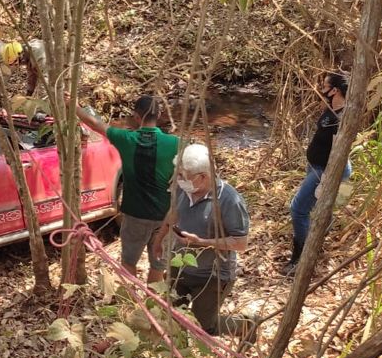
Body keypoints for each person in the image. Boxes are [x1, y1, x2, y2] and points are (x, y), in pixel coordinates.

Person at [71, 95, 179, 283]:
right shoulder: (176, 143)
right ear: (160, 115)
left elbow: (95, 124)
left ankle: (130, 303)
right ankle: (152, 308)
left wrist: (74, 106)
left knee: (129, 262)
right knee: (158, 264)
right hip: (164, 215)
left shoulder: (126, 138)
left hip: (134, 215)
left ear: (136, 117)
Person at [153, 143, 256, 340]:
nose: (179, 180)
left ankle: (246, 325)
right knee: (172, 315)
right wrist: (159, 239)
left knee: (203, 326)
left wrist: (201, 242)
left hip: (213, 275)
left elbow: (240, 243)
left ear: (202, 177)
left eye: (184, 176)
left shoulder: (229, 200)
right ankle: (177, 357)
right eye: (179, 175)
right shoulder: (183, 189)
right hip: (181, 266)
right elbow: (172, 214)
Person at [283, 71, 352, 276]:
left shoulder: (342, 118)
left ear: (335, 90)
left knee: (298, 210)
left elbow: (338, 153)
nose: (321, 89)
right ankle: (314, 245)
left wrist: (326, 180)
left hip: (327, 171)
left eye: (325, 86)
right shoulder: (332, 109)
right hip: (316, 167)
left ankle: (301, 259)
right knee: (321, 208)